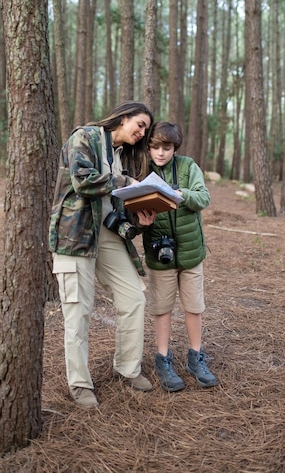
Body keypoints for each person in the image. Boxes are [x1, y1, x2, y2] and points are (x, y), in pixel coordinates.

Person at [49, 102, 157, 409]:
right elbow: (82, 179)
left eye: (146, 129)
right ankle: (80, 384)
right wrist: (127, 183)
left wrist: (140, 220)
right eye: (139, 124)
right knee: (78, 311)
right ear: (123, 118)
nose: (142, 132)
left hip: (109, 237)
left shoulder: (125, 157)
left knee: (134, 297)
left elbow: (119, 207)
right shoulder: (85, 137)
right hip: (75, 236)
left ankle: (128, 368)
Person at [142, 121, 218, 392]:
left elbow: (204, 198)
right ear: (148, 148)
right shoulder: (143, 170)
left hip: (190, 251)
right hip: (159, 252)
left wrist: (181, 194)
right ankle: (163, 359)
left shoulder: (188, 167)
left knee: (194, 306)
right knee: (161, 308)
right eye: (156, 147)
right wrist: (143, 222)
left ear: (175, 148)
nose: (161, 153)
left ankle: (195, 357)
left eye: (167, 147)